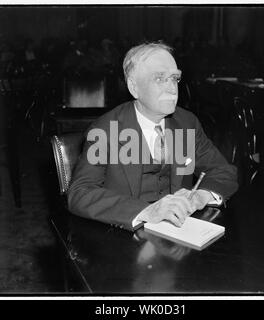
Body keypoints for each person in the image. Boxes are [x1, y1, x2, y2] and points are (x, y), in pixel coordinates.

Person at [68, 42, 238, 231]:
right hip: (124, 234)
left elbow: (224, 171)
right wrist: (147, 211)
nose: (172, 89)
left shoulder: (187, 123)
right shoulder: (106, 129)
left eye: (175, 78)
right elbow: (80, 193)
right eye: (159, 79)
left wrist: (201, 196)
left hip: (179, 231)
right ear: (134, 87)